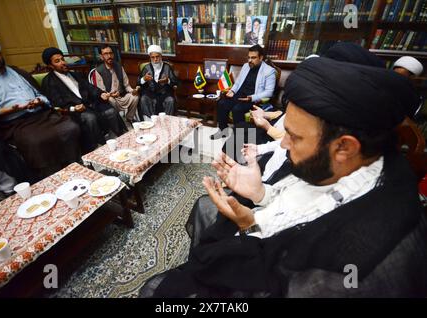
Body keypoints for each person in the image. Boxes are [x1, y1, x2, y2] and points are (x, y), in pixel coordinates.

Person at [140, 57, 427, 297]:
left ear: (345, 146)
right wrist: (259, 196)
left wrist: (248, 228)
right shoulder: (349, 164)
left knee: (154, 290)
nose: (283, 144)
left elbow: (274, 281)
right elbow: (300, 205)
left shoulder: (349, 272)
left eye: (293, 136)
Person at [0, 35, 81, 178]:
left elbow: (42, 95)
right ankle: (52, 176)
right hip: (17, 123)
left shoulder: (19, 72)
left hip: (42, 115)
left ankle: (74, 166)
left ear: (0, 53)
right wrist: (12, 109)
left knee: (71, 127)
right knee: (36, 141)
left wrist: (39, 100)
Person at [41, 47, 126, 144]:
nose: (63, 62)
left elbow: (90, 87)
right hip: (72, 111)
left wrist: (101, 93)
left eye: (62, 59)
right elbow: (56, 104)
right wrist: (74, 108)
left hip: (89, 104)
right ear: (50, 66)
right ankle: (100, 146)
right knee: (90, 118)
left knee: (110, 111)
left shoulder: (74, 74)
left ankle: (122, 138)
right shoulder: (48, 82)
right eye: (57, 61)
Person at [210, 45, 276, 140]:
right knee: (222, 103)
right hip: (239, 95)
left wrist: (251, 98)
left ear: (261, 58)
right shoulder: (246, 66)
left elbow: (269, 92)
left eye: (253, 58)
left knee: (237, 109)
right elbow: (238, 83)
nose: (250, 60)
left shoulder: (269, 71)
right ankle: (223, 130)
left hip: (252, 99)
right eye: (249, 57)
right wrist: (232, 91)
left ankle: (239, 137)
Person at [94, 45, 139, 125]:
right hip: (110, 98)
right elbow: (101, 92)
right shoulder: (99, 71)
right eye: (106, 54)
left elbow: (127, 85)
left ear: (113, 54)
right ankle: (118, 122)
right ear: (101, 56)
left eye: (111, 53)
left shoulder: (119, 67)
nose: (109, 56)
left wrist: (133, 91)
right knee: (111, 100)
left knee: (135, 97)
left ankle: (129, 118)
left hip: (121, 96)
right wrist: (111, 94)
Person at [137, 45, 178, 117]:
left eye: (157, 57)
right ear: (150, 58)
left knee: (170, 100)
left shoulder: (167, 67)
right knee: (143, 99)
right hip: (150, 93)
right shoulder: (146, 68)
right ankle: (150, 120)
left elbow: (175, 82)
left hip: (164, 93)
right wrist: (144, 79)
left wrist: (167, 81)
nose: (155, 59)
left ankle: (167, 120)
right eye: (153, 57)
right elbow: (138, 82)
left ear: (161, 56)